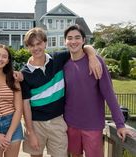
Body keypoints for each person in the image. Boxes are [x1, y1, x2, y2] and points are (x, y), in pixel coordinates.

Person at [20, 27, 102, 157]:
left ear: (45, 43)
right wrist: (30, 132)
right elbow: (25, 105)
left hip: (58, 121)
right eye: (32, 45)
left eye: (39, 43)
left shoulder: (58, 59)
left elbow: (82, 47)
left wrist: (92, 56)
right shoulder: (24, 74)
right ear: (27, 47)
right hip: (36, 124)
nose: (36, 48)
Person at [63, 24, 132, 157]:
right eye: (69, 38)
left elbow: (109, 94)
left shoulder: (96, 62)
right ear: (65, 41)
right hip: (70, 124)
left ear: (84, 40)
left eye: (77, 37)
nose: (73, 41)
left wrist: (120, 124)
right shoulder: (64, 64)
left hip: (93, 125)